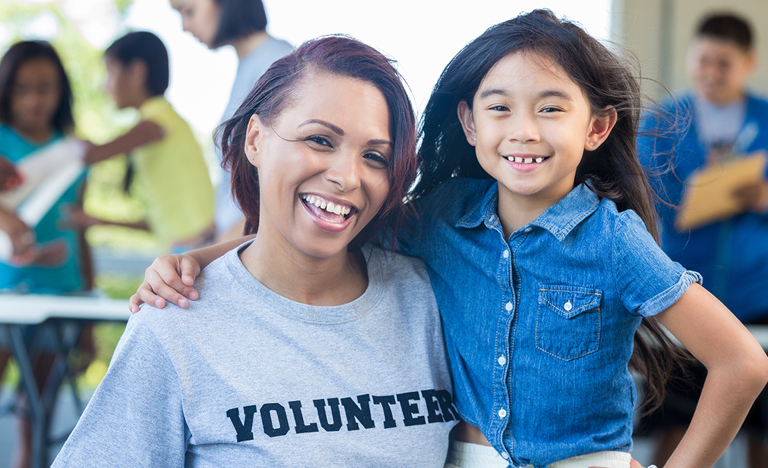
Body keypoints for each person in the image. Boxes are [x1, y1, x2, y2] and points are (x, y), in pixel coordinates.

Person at [130, 10, 768, 468]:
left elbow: (742, 364)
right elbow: (320, 232)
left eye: (551, 108)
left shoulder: (615, 242)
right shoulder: (441, 215)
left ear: (597, 127)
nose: (523, 130)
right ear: (467, 122)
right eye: (498, 108)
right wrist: (199, 258)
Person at [52, 36, 458, 467]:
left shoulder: (429, 299)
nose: (347, 177)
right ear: (255, 139)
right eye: (320, 140)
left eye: (375, 157)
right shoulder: (176, 317)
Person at [637, 13, 768, 467]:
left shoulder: (766, 120)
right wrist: (707, 191)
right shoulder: (661, 123)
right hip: (688, 294)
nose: (711, 72)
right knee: (679, 421)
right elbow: (645, 200)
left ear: (748, 62)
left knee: (762, 426)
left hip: (757, 291)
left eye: (724, 64)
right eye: (704, 60)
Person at [0, 40, 93, 468]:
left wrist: (89, 318)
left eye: (46, 87)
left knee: (34, 416)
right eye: (22, 89)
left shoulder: (75, 153)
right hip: (5, 298)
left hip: (63, 296)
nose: (35, 99)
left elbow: (81, 232)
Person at [76, 31, 214, 252]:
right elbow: (159, 223)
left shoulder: (159, 117)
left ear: (136, 72)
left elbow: (95, 154)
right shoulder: (156, 124)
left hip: (201, 247)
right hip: (184, 248)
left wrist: (71, 146)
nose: (105, 86)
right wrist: (99, 221)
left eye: (110, 73)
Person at [170, 0, 292, 242]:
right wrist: (207, 234)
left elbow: (283, 183)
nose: (185, 26)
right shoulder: (250, 65)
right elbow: (240, 187)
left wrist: (216, 250)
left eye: (189, 11)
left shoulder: (278, 66)